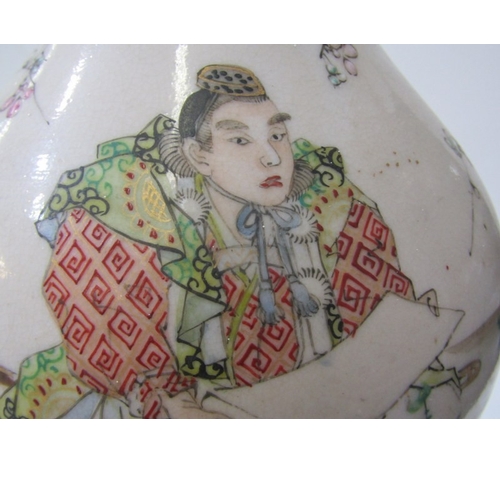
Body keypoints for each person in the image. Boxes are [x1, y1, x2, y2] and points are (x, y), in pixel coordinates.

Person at [0, 65, 459, 419]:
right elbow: (109, 340)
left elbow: (383, 314)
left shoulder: (329, 206)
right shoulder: (136, 220)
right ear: (198, 155)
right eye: (240, 141)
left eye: (277, 134)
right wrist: (170, 404)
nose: (271, 156)